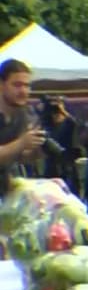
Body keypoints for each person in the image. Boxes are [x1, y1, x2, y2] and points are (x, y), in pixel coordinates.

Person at [0, 59, 46, 195]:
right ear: (1, 85)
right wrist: (22, 143)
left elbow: (19, 157)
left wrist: (37, 150)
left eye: (27, 86)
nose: (23, 91)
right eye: (17, 85)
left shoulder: (24, 114)